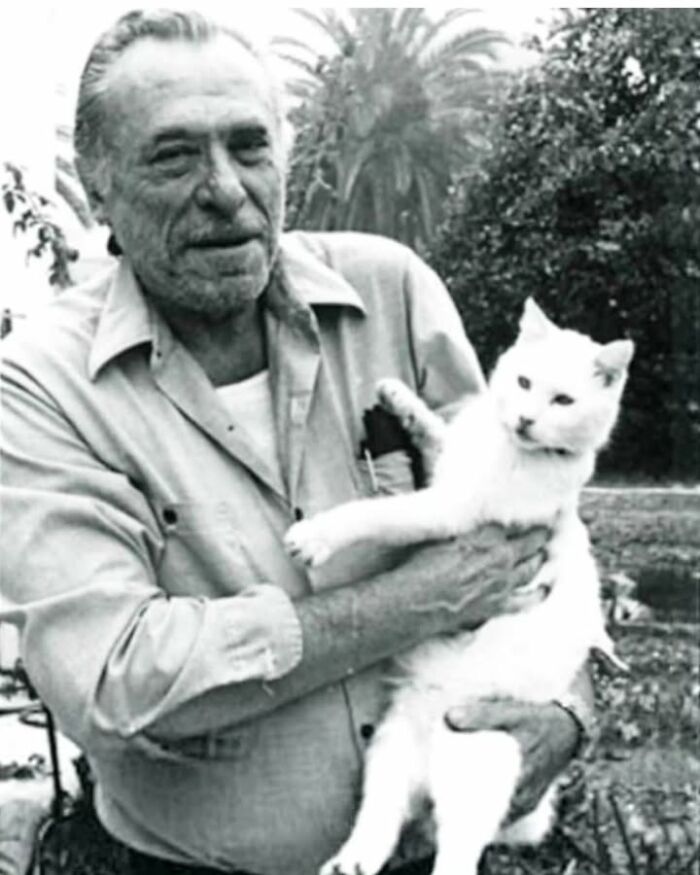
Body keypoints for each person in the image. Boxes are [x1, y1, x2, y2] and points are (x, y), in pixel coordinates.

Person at [0, 10, 593, 875]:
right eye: (174, 155)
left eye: (250, 146)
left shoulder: (392, 291)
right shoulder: (40, 385)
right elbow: (113, 680)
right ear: (99, 184)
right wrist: (416, 600)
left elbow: (546, 535)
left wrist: (566, 712)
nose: (226, 188)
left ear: (285, 154)